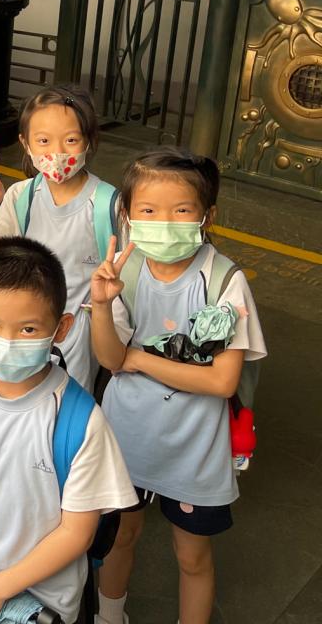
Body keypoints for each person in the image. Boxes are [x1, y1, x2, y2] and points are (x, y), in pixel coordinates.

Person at [0, 237, 136, 624]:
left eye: (29, 329)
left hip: (38, 604)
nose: (7, 342)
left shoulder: (81, 420)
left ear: (61, 327)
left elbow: (77, 533)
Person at [90, 148, 266, 624]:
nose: (163, 223)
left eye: (181, 210)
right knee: (120, 537)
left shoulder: (223, 280)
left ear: (208, 216)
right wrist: (101, 305)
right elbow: (110, 358)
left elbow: (222, 380)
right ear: (127, 215)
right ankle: (109, 616)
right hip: (127, 435)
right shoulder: (123, 272)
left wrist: (138, 359)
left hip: (194, 446)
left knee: (192, 557)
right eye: (148, 210)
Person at [0, 84, 119, 391]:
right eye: (43, 140)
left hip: (76, 341)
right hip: (20, 335)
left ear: (88, 141)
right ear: (25, 142)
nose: (57, 152)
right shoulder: (21, 196)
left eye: (71, 140)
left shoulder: (107, 204)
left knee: (64, 404)